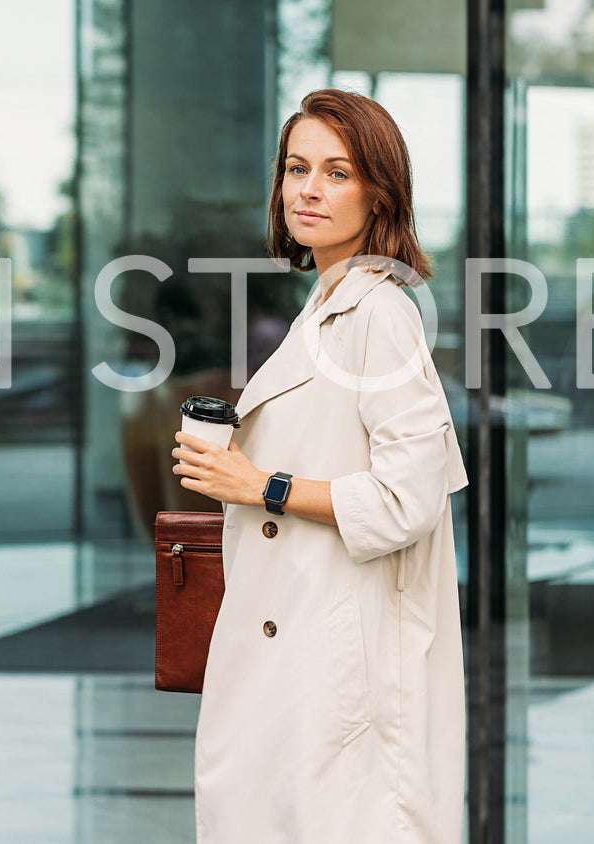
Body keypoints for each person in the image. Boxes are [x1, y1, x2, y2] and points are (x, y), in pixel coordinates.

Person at [171, 88, 470, 843]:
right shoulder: (329, 301)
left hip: (339, 662)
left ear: (379, 193)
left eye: (337, 172)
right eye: (296, 168)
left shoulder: (380, 312)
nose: (308, 189)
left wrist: (259, 484)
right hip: (298, 638)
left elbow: (409, 499)